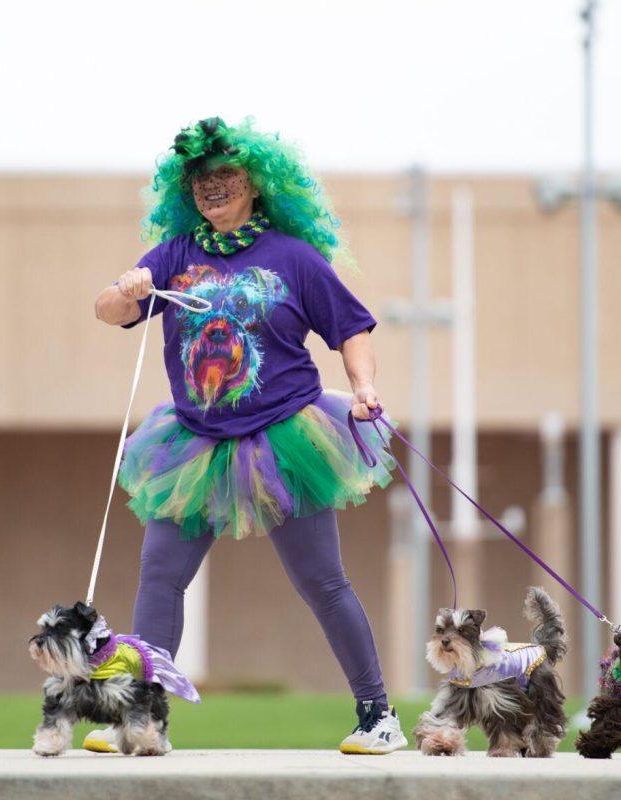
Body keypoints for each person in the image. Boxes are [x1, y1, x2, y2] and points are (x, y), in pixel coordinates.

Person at [90, 117, 404, 754]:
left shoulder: (293, 257)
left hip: (284, 439)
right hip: (195, 443)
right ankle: (143, 720)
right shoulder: (176, 254)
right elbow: (108, 310)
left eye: (227, 177)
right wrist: (127, 290)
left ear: (258, 185)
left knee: (321, 580)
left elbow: (351, 328)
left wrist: (364, 386)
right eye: (202, 180)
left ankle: (378, 715)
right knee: (159, 575)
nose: (214, 189)